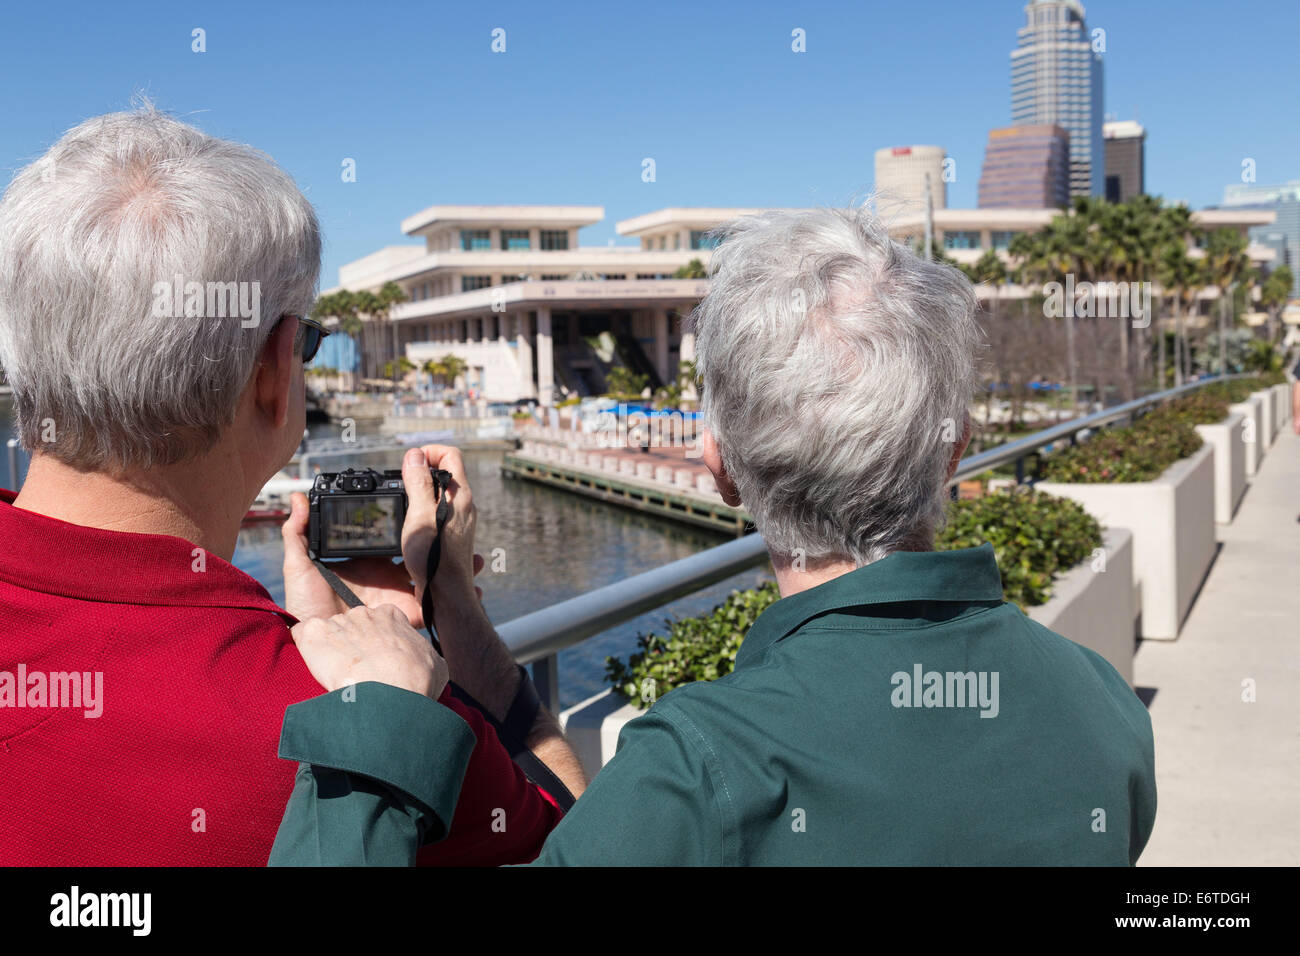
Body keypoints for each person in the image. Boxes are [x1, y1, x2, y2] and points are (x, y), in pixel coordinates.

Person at [269, 207, 1158, 866]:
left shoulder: (703, 769)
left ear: (718, 468)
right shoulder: (1098, 704)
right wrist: (452, 608)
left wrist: (375, 706)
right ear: (954, 451)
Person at [0, 106, 583, 866]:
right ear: (276, 373)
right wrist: (454, 617)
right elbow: (575, 835)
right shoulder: (365, 734)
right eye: (308, 340)